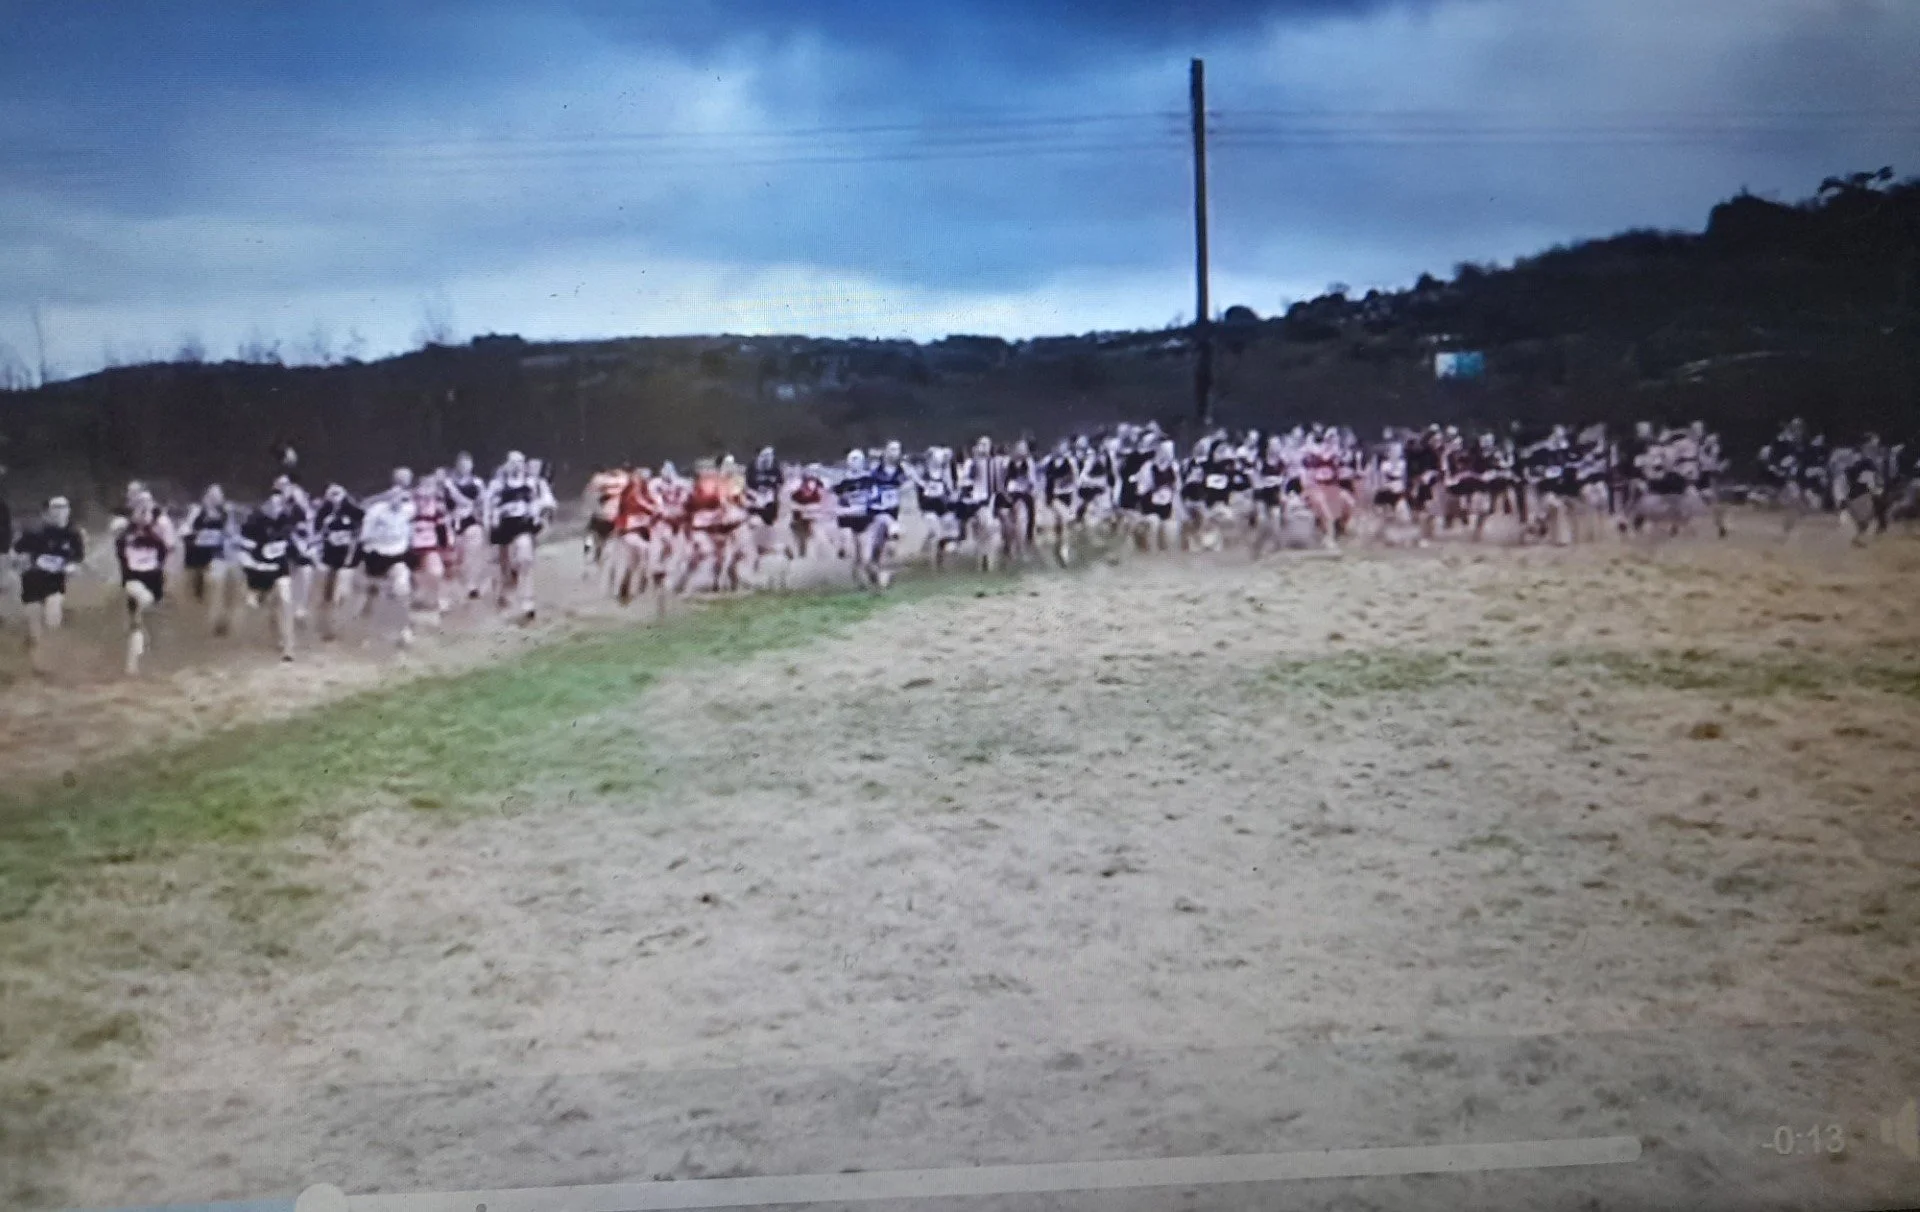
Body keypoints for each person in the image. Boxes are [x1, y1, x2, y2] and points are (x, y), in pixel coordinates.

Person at [14, 496, 85, 674]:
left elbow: (78, 556)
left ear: (68, 511)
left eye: (63, 509)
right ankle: (35, 662)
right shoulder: (35, 532)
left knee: (53, 616)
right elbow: (17, 550)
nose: (60, 513)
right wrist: (21, 560)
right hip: (32, 580)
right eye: (56, 509)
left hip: (54, 581)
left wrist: (72, 566)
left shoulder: (74, 534)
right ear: (49, 513)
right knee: (34, 623)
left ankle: (53, 657)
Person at [116, 491, 174, 676]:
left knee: (149, 622)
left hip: (154, 580)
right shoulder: (125, 534)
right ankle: (132, 666)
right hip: (134, 581)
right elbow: (122, 555)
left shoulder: (157, 535)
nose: (143, 515)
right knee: (142, 606)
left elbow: (164, 555)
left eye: (146, 511)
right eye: (139, 511)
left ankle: (142, 661)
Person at [358, 469, 418, 647]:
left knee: (402, 587)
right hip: (376, 555)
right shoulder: (376, 511)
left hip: (397, 555)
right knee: (372, 595)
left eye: (401, 498)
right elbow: (364, 534)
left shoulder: (409, 509)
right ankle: (365, 630)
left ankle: (404, 630)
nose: (398, 500)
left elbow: (410, 526)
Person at [237, 490, 299, 662]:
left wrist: (301, 558)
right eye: (273, 504)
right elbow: (244, 555)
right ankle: (269, 638)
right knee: (261, 607)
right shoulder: (252, 525)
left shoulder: (286, 523)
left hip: (280, 571)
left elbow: (292, 548)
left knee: (285, 602)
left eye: (280, 504)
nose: (276, 508)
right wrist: (251, 579)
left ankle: (288, 647)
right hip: (258, 573)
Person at [487, 451, 544, 621]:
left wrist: (536, 515)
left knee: (525, 558)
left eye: (520, 462)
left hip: (522, 524)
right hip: (504, 525)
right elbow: (489, 504)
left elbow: (535, 501)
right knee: (506, 566)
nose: (517, 465)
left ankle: (528, 602)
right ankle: (504, 596)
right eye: (513, 462)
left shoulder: (529, 483)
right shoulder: (498, 484)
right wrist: (491, 520)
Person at [181, 484, 237, 634]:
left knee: (218, 583)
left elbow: (231, 533)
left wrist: (228, 539)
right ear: (205, 497)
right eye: (212, 496)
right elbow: (185, 530)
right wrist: (195, 536)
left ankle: (218, 619)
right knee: (197, 593)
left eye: (218, 496)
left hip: (216, 555)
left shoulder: (225, 512)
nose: (215, 499)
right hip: (197, 556)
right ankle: (204, 613)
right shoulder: (197, 511)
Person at [312, 482, 363, 641]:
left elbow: (360, 532)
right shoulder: (323, 512)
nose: (335, 497)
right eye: (331, 494)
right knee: (325, 594)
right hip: (328, 558)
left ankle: (337, 625)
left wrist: (352, 556)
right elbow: (316, 534)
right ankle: (324, 624)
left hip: (347, 559)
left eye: (338, 493)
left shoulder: (354, 511)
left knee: (340, 593)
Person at [445, 452, 490, 601]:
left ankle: (472, 585)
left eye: (468, 465)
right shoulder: (448, 483)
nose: (466, 468)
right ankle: (458, 585)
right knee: (457, 556)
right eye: (462, 465)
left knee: (472, 552)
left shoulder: (476, 483)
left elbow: (483, 501)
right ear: (457, 466)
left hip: (471, 519)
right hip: (453, 521)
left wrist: (485, 519)